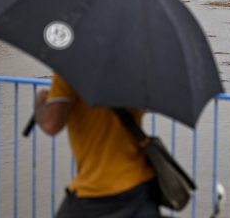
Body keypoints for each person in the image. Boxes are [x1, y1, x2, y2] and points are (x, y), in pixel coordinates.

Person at [34, 74, 160, 218]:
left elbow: (51, 125)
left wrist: (40, 101)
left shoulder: (71, 71)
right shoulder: (137, 72)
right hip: (139, 186)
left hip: (95, 188)